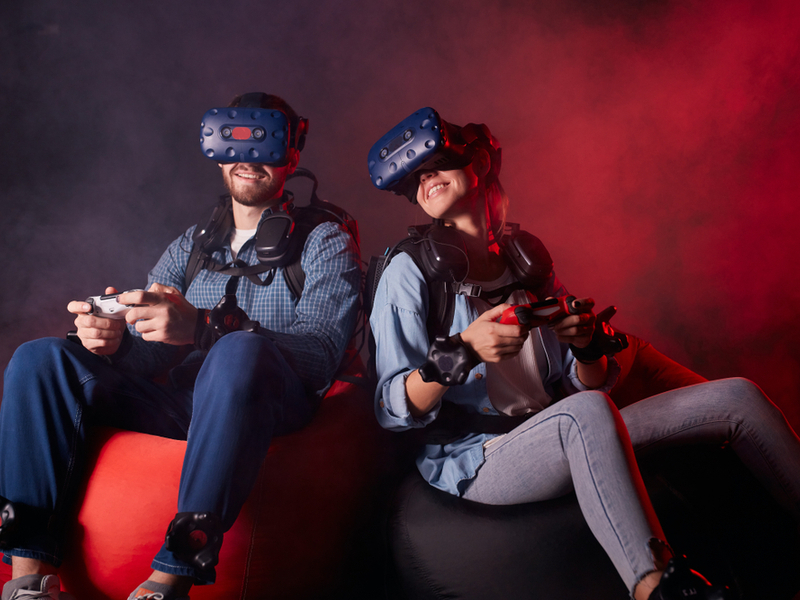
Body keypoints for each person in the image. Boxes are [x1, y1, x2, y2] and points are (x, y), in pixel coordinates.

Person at [367, 107, 800, 600]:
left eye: (437, 164)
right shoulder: (407, 272)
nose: (426, 181)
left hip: (561, 428)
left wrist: (587, 343)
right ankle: (658, 588)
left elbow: (584, 384)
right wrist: (463, 352)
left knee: (738, 398)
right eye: (416, 179)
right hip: (477, 459)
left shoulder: (526, 260)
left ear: (480, 165)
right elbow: (390, 408)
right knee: (585, 414)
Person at [0, 93, 362, 600]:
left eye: (264, 143)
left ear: (291, 153)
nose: (247, 158)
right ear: (216, 148)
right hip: (182, 406)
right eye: (233, 141)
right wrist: (112, 342)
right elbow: (150, 354)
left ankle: (167, 581)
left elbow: (320, 356)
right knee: (38, 359)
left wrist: (207, 329)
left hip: (266, 403)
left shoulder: (326, 241)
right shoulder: (191, 246)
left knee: (237, 350)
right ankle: (27, 579)